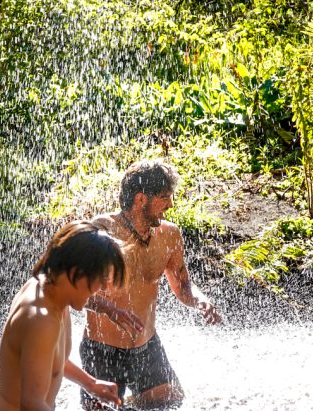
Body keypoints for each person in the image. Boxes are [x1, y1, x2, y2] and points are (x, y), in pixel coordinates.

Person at [82, 160, 222, 409]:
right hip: (102, 349)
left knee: (171, 400)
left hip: (146, 345)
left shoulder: (170, 235)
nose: (170, 205)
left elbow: (184, 286)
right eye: (164, 197)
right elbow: (71, 289)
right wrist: (110, 309)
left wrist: (200, 300)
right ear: (140, 199)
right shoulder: (100, 232)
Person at [0, 221, 126, 411]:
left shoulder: (52, 295)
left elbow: (50, 360)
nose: (103, 288)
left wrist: (91, 384)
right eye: (101, 279)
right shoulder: (42, 320)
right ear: (76, 272)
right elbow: (31, 404)